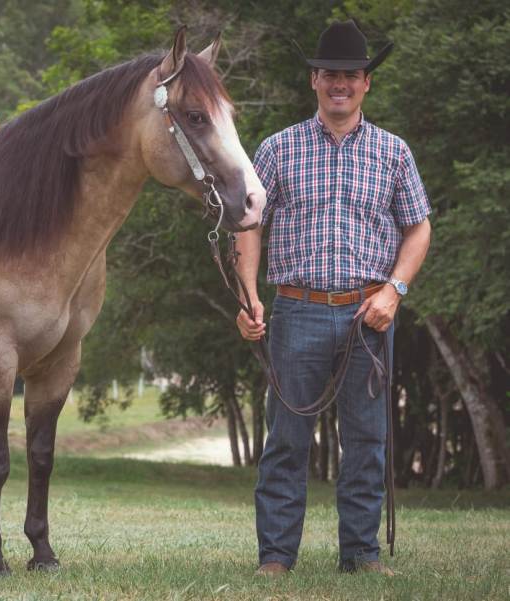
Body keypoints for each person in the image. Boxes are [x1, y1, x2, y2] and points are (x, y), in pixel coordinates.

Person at [234, 20, 431, 577]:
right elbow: (249, 225)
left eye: (351, 75)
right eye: (330, 75)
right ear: (314, 81)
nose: (340, 83)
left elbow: (418, 229)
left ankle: (361, 556)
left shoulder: (394, 153)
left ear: (365, 82)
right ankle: (275, 558)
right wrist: (250, 294)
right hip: (296, 310)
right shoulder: (276, 149)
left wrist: (395, 290)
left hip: (370, 313)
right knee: (287, 440)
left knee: (366, 441)